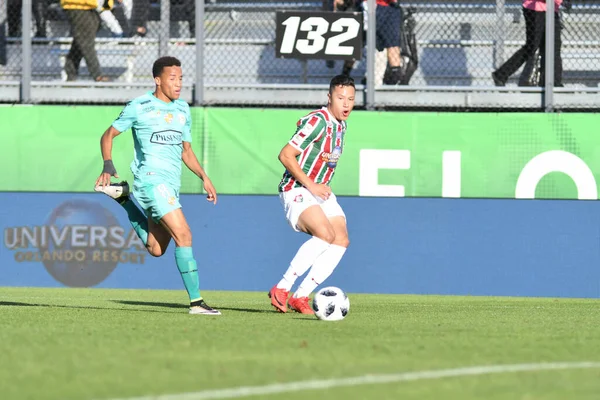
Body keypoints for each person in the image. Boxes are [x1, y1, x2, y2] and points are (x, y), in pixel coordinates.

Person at [94, 56, 221, 316]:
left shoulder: (183, 109)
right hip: (152, 180)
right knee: (184, 235)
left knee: (156, 248)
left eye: (181, 78)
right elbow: (108, 134)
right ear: (157, 80)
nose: (178, 83)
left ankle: (125, 200)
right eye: (172, 78)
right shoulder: (139, 106)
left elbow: (186, 151)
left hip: (171, 185)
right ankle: (196, 303)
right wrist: (108, 163)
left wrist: (203, 176)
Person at [268, 75, 356, 315]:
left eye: (350, 99)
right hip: (296, 188)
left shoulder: (341, 125)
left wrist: (319, 187)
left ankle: (301, 296)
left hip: (320, 191)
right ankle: (282, 288)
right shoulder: (317, 121)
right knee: (325, 234)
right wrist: (311, 185)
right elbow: (285, 155)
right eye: (340, 98)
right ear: (329, 98)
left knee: (340, 239)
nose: (346, 104)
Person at [492, 0, 564, 87]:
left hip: (552, 9)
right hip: (535, 9)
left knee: (553, 46)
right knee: (532, 46)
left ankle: (553, 83)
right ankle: (501, 74)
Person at [61, 0, 109, 81]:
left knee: (80, 40)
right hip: (79, 5)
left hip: (93, 5)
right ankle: (97, 74)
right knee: (86, 40)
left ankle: (71, 73)